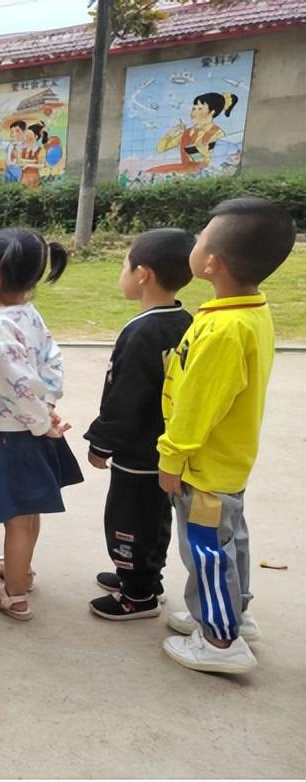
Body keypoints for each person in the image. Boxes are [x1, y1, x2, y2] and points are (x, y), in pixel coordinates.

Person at [158, 198, 296, 674]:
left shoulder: (221, 330)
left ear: (210, 263)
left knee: (206, 549)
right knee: (229, 539)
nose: (194, 244)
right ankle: (234, 613)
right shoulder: (249, 311)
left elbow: (198, 406)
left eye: (201, 239)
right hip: (228, 463)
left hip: (203, 466)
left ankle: (219, 640)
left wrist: (171, 458)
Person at [0, 227, 83, 621]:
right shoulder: (28, 314)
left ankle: (14, 593)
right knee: (29, 511)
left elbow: (16, 385)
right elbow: (52, 361)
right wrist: (47, 407)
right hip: (33, 428)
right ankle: (22, 569)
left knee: (17, 517)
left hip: (13, 436)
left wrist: (40, 419)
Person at [84, 228, 195, 621]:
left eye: (124, 266)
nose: (122, 274)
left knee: (127, 521)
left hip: (136, 451)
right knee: (154, 517)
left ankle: (138, 594)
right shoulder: (186, 321)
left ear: (143, 274)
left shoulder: (141, 332)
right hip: (164, 450)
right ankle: (144, 576)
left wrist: (101, 442)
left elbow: (124, 398)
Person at [150, 92, 239, 177]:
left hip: (203, 172)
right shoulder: (187, 132)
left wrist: (203, 152)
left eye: (200, 109)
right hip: (186, 170)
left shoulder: (217, 133)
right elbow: (160, 148)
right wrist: (171, 132)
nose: (194, 112)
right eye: (194, 108)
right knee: (152, 172)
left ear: (212, 112)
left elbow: (217, 159)